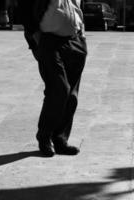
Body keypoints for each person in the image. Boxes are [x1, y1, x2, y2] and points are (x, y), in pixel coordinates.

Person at [18, 0, 87, 157]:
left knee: (71, 96)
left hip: (74, 41)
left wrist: (81, 34)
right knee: (59, 89)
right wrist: (35, 36)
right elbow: (24, 8)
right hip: (49, 41)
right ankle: (44, 136)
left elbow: (76, 8)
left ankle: (60, 140)